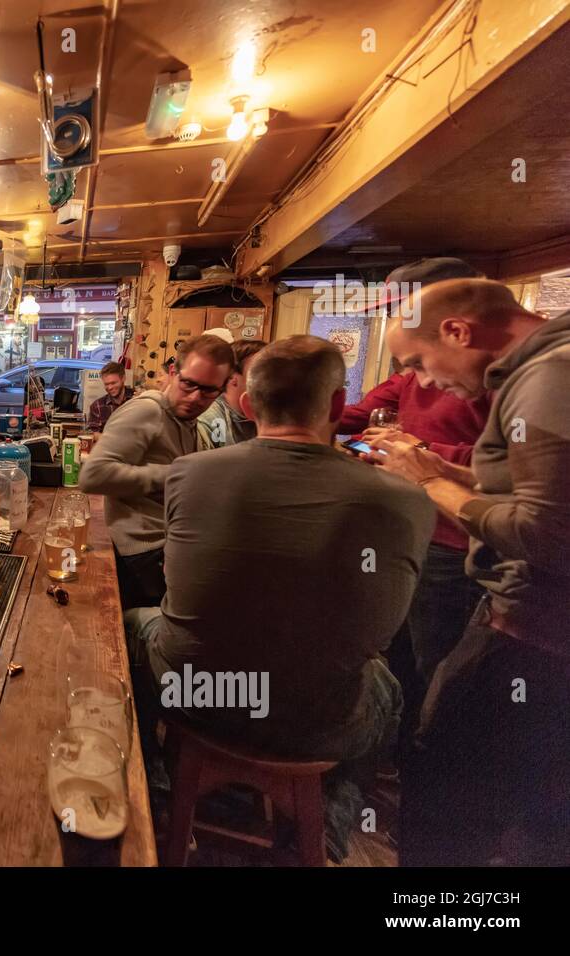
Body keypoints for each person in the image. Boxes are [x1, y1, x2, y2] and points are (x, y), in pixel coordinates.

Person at [134, 336, 434, 859]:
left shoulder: (191, 472)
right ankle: (328, 827)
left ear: (247, 404)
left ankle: (156, 785)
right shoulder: (407, 499)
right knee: (386, 683)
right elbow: (382, 630)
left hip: (199, 696)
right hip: (319, 720)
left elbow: (177, 582)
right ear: (340, 405)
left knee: (134, 622)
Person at [373, 278, 570, 865]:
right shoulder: (541, 368)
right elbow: (531, 492)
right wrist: (444, 469)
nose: (426, 383)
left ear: (456, 330)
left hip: (533, 633)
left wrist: (428, 483)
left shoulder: (549, 376)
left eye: (420, 363)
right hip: (539, 635)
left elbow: (547, 534)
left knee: (446, 807)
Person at [338, 257, 491, 736]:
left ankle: (426, 759)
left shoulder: (488, 373)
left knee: (440, 665)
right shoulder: (410, 375)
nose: (394, 317)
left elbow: (510, 465)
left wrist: (421, 453)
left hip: (455, 542)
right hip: (408, 529)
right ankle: (395, 749)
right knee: (396, 647)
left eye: (401, 307)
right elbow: (354, 419)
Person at [78, 333, 233, 609]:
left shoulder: (187, 420)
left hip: (167, 548)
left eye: (209, 390)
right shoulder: (147, 411)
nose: (196, 397)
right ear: (173, 373)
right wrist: (176, 474)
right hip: (142, 554)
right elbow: (93, 475)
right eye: (188, 384)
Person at [196, 339, 266, 449]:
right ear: (232, 376)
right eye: (258, 372)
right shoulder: (210, 420)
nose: (268, 380)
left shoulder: (270, 414)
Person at [86, 361, 135, 432]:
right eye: (106, 384)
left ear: (123, 378)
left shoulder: (137, 399)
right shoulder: (97, 406)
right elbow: (92, 433)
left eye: (113, 383)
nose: (110, 387)